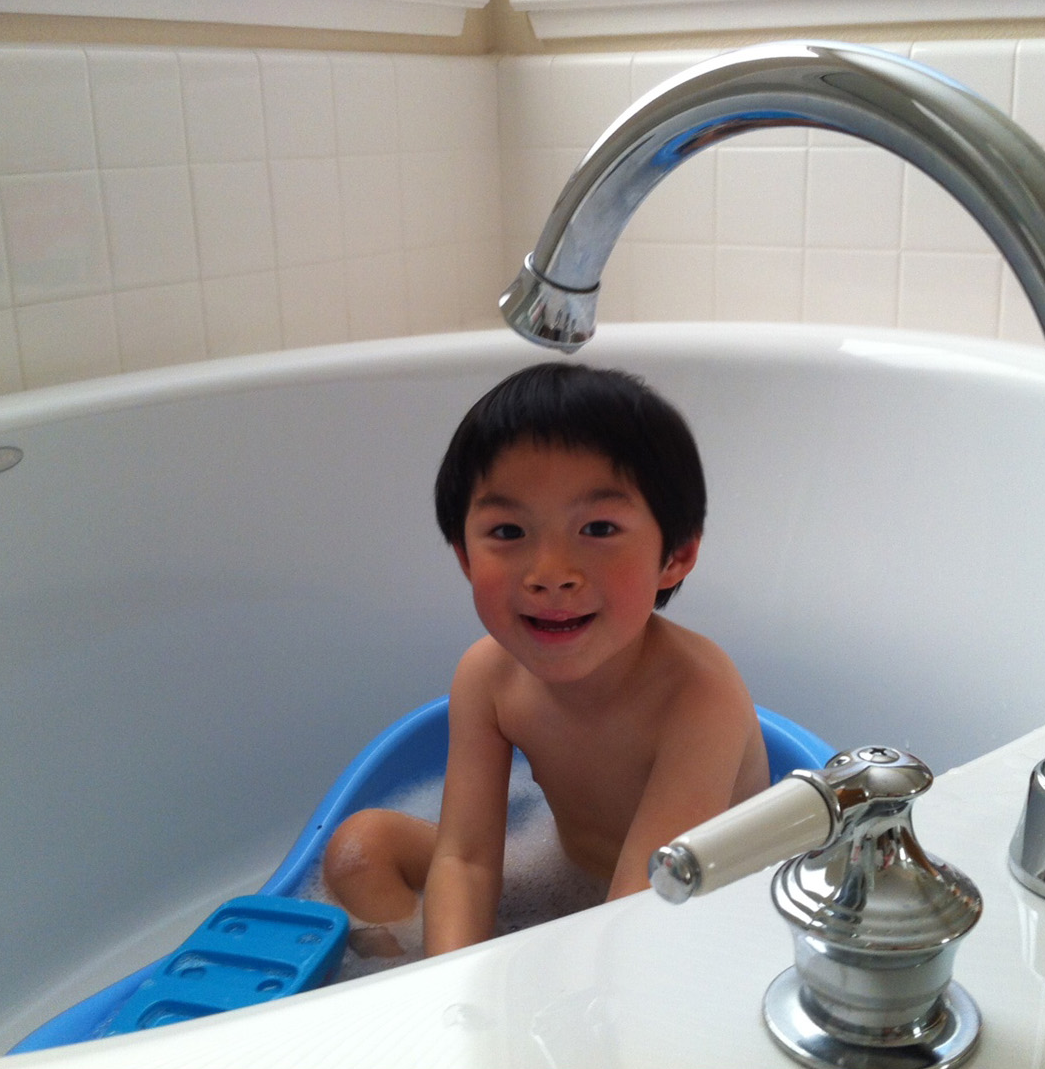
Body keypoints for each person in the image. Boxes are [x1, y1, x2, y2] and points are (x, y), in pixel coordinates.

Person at [322, 362, 769, 958]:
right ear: (465, 557)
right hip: (573, 882)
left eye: (599, 528)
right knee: (360, 849)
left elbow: (647, 904)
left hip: (686, 913)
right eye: (509, 532)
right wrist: (448, 986)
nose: (550, 573)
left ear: (676, 556)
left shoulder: (698, 695)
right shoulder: (488, 677)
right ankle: (393, 972)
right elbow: (466, 859)